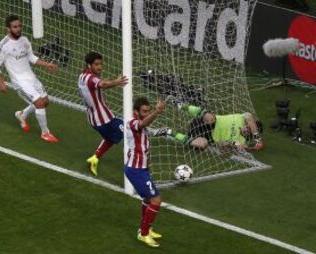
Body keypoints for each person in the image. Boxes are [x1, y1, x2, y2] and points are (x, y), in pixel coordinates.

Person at [0, 15, 59, 142]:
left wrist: (48, 64)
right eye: (15, 27)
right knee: (39, 104)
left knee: (45, 102)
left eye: (19, 26)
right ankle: (45, 133)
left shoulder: (25, 40)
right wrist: (0, 82)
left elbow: (32, 58)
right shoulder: (3, 46)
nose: (18, 29)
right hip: (19, 82)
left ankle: (21, 115)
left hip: (31, 77)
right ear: (8, 29)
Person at [78, 52, 128, 175]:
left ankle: (94, 158)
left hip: (94, 119)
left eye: (101, 64)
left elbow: (99, 86)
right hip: (104, 119)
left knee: (111, 137)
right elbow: (102, 84)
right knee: (129, 131)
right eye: (96, 64)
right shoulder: (92, 78)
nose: (100, 67)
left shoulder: (82, 76)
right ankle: (135, 166)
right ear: (89, 65)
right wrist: (117, 81)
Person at [124, 97, 165, 248]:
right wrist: (157, 111)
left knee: (148, 200)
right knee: (156, 200)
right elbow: (143, 123)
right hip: (135, 170)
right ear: (136, 112)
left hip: (141, 169)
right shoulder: (133, 123)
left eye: (148, 110)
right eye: (144, 111)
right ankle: (144, 234)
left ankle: (146, 228)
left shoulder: (140, 124)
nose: (147, 114)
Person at [166, 99, 264, 151]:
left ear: (249, 135)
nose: (247, 129)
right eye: (248, 127)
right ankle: (181, 105)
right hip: (208, 122)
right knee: (211, 118)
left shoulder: (241, 141)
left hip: (208, 136)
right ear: (248, 125)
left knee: (203, 145)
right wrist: (258, 139)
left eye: (249, 132)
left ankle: (170, 132)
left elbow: (223, 144)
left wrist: (235, 145)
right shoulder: (242, 118)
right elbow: (249, 116)